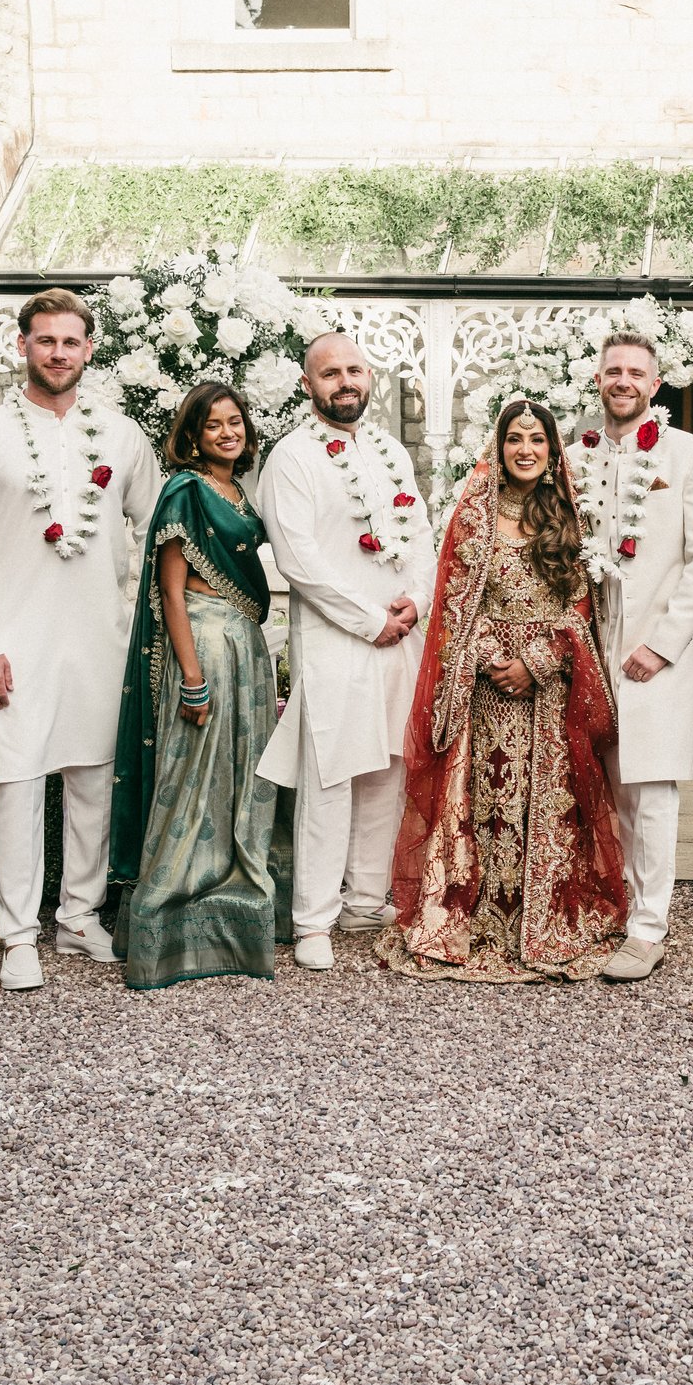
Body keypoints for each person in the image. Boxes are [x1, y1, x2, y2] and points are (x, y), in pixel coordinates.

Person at [0, 288, 162, 992]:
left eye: (71, 341)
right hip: (14, 640)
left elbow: (156, 531)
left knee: (94, 780)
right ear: (23, 346)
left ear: (89, 349)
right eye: (46, 340)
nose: (59, 353)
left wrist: (134, 619)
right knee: (17, 785)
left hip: (99, 638)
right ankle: (17, 935)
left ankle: (78, 916)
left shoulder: (122, 436)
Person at [383, 401, 628, 981]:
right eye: (514, 438)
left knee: (550, 804)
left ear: (551, 449)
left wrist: (536, 663)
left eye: (536, 440)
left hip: (550, 691)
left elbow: (581, 609)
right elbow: (454, 606)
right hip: (486, 688)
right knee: (489, 803)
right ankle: (484, 923)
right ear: (498, 447)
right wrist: (496, 658)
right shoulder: (474, 517)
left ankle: (544, 922)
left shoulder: (569, 515)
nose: (525, 449)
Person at [256, 331, 439, 972]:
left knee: (387, 767)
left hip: (400, 636)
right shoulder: (291, 457)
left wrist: (417, 599)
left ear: (370, 377)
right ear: (307, 384)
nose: (345, 383)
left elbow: (420, 534)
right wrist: (369, 620)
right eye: (330, 373)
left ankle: (364, 899)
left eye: (354, 370)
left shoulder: (390, 450)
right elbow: (297, 558)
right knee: (331, 774)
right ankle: (313, 917)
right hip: (336, 641)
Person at [109, 382, 282, 989]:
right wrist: (190, 677)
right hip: (205, 645)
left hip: (245, 645)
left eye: (235, 422)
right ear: (192, 436)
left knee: (242, 773)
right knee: (195, 775)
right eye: (214, 425)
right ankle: (169, 911)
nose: (228, 433)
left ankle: (234, 901)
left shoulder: (238, 491)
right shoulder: (185, 490)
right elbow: (171, 591)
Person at [574, 333, 693, 983]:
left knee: (651, 791)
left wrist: (663, 645)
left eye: (637, 372)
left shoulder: (690, 454)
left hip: (653, 648)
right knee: (596, 786)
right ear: (598, 379)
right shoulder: (576, 454)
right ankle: (604, 906)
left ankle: (647, 929)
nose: (624, 380)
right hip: (586, 647)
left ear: (655, 384)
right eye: (614, 370)